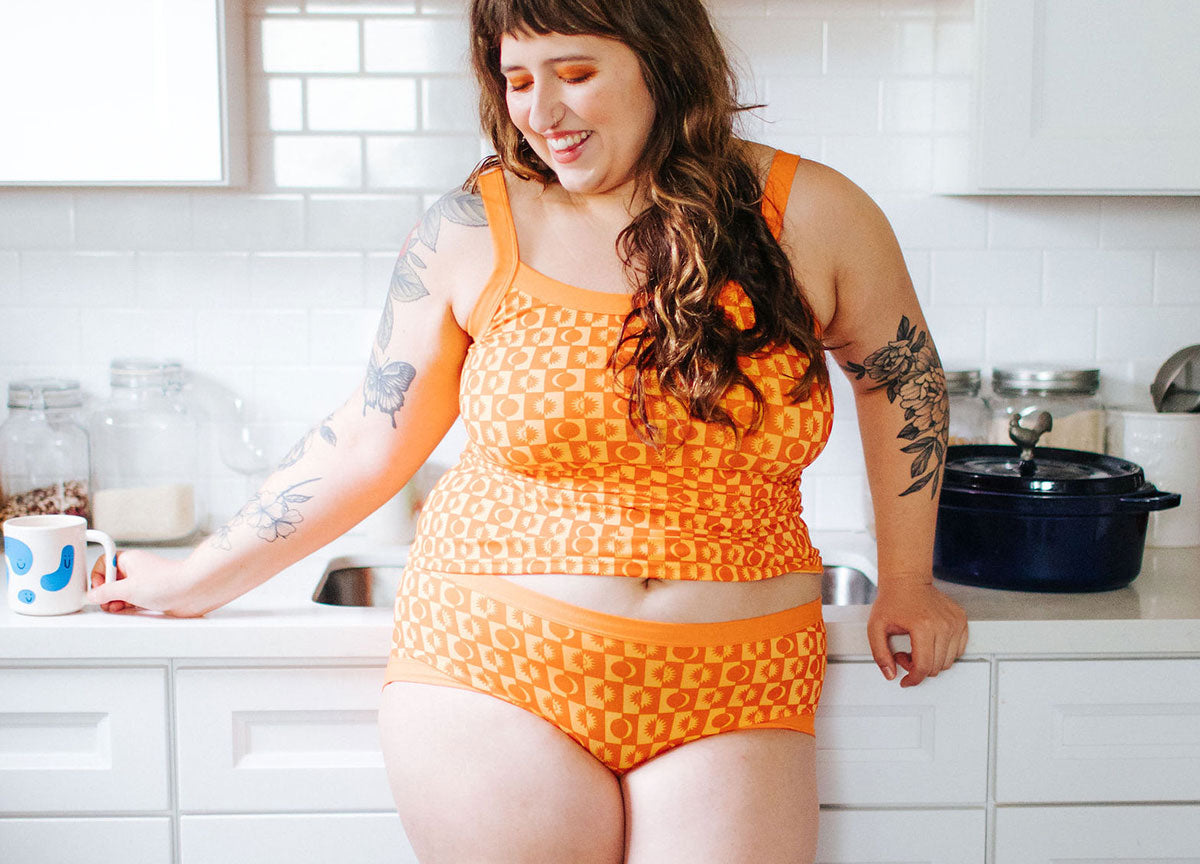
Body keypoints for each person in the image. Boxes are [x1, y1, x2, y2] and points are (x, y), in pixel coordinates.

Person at [89, 0, 969, 860]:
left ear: (661, 61)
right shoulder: (474, 226)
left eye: (575, 74)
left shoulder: (813, 213)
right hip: (494, 668)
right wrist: (201, 576)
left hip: (738, 676)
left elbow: (903, 381)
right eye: (516, 81)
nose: (542, 113)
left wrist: (907, 578)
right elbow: (371, 433)